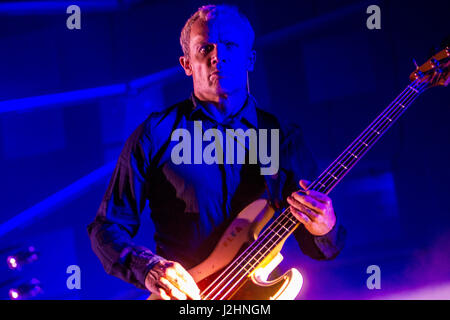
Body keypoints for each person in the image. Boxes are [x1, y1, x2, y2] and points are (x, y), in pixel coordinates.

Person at [88, 4, 346, 300]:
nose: (217, 55)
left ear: (249, 59)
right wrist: (149, 269)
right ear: (186, 64)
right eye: (204, 48)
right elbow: (106, 227)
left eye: (230, 45)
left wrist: (324, 226)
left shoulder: (281, 137)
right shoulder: (155, 134)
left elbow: (320, 247)